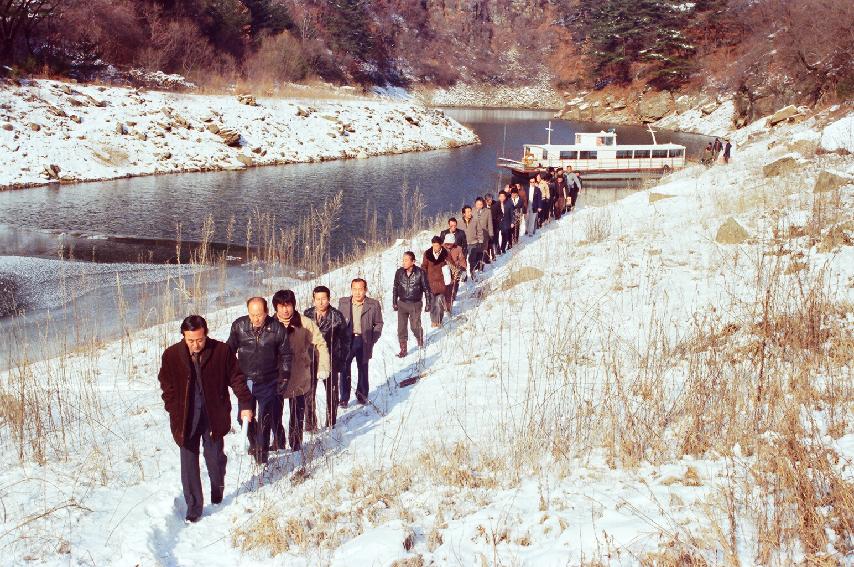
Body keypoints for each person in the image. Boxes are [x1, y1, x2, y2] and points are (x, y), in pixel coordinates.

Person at [158, 315, 253, 523]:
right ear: (183, 336)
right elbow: (166, 386)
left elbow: (236, 379)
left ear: (206, 334)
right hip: (185, 418)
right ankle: (194, 508)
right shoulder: (171, 355)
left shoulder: (221, 351)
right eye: (190, 340)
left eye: (199, 340)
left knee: (215, 459)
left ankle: (217, 487)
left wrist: (246, 404)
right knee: (188, 462)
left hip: (214, 415)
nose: (195, 345)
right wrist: (173, 408)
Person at [226, 297, 292, 464]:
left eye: (260, 315)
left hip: (268, 381)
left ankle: (262, 457)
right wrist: (230, 374)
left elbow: (286, 355)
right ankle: (256, 443)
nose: (256, 319)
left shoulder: (277, 329)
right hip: (245, 382)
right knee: (243, 419)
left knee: (264, 419)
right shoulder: (239, 326)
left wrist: (283, 378)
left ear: (267, 312)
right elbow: (228, 352)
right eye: (252, 315)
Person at [272, 289, 330, 452]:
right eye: (281, 306)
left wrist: (324, 366)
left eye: (288, 305)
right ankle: (278, 441)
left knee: (297, 413)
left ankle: (296, 443)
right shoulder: (270, 324)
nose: (285, 310)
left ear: (293, 305)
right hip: (276, 377)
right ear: (276, 307)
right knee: (275, 412)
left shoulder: (305, 323)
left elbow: (320, 343)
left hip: (299, 374)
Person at [304, 286, 348, 429]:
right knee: (309, 393)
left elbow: (345, 340)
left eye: (324, 299)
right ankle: (310, 424)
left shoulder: (337, 316)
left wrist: (341, 361)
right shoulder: (307, 314)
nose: (321, 302)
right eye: (318, 299)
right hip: (310, 359)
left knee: (332, 391)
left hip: (330, 359)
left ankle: (331, 422)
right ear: (313, 300)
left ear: (329, 299)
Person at [339, 278, 383, 406]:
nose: (357, 292)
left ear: (365, 290)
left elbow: (379, 323)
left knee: (363, 367)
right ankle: (344, 397)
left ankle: (362, 394)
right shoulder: (344, 303)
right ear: (351, 289)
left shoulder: (373, 304)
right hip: (348, 340)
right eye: (355, 289)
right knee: (344, 368)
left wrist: (372, 338)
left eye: (360, 289)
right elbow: (338, 322)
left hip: (364, 340)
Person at [392, 251, 430, 357]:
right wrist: (394, 302)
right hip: (402, 303)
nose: (403, 262)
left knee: (415, 326)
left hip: (415, 304)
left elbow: (427, 289)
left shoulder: (420, 272)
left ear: (413, 261)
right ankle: (403, 349)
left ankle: (420, 338)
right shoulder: (399, 272)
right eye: (403, 260)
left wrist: (428, 303)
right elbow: (395, 287)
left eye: (406, 260)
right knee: (401, 328)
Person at [421, 236, 449, 328]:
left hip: (441, 282)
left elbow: (451, 264)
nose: (435, 248)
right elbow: (424, 266)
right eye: (434, 245)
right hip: (430, 282)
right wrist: (423, 276)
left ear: (440, 245)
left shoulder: (445, 253)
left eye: (437, 245)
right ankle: (433, 321)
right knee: (432, 303)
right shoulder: (427, 253)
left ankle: (439, 320)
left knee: (440, 303)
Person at [442, 232, 467, 314]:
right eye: (447, 244)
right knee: (445, 289)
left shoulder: (458, 249)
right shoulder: (441, 248)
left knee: (454, 288)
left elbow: (462, 259)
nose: (448, 245)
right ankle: (446, 305)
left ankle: (450, 304)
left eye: (450, 244)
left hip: (455, 271)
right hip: (444, 271)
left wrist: (463, 269)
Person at [473, 197, 494, 270]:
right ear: (475, 204)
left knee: (482, 251)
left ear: (483, 204)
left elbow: (490, 224)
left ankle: (481, 267)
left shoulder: (487, 211)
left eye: (480, 204)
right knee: (475, 251)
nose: (479, 206)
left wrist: (491, 234)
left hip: (484, 235)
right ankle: (476, 266)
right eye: (477, 204)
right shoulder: (472, 211)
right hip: (474, 235)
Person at [484, 193, 502, 263]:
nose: (490, 201)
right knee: (488, 242)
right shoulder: (483, 206)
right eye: (488, 200)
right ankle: (489, 256)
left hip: (495, 225)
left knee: (495, 239)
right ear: (486, 200)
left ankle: (498, 251)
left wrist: (498, 220)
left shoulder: (496, 204)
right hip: (486, 227)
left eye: (491, 200)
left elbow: (501, 214)